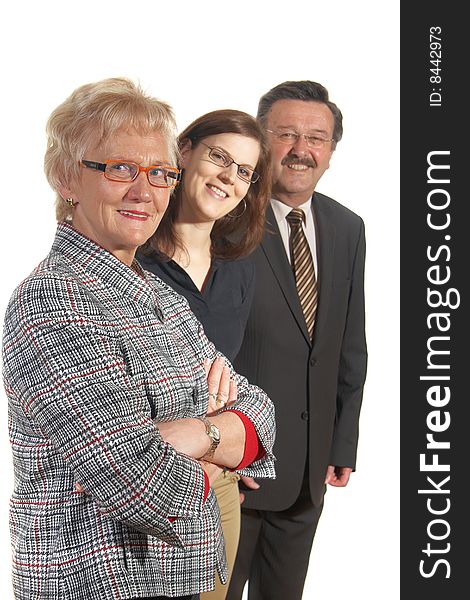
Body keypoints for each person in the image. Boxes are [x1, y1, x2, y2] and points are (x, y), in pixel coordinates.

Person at [2, 77, 276, 600]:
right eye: (120, 168)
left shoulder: (158, 295)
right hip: (101, 584)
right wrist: (221, 441)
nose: (143, 192)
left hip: (183, 573)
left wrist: (199, 437)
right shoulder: (53, 305)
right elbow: (147, 489)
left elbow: (262, 414)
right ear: (66, 178)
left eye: (159, 173)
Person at [226, 80, 368, 600]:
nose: (301, 149)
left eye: (317, 137)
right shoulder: (223, 219)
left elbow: (348, 345)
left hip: (307, 469)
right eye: (286, 134)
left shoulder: (346, 228)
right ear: (261, 141)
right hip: (232, 465)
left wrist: (341, 440)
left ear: (331, 151)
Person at [137, 109, 271, 600]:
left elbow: (238, 374)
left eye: (244, 171)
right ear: (185, 152)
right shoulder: (133, 257)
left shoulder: (239, 268)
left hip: (219, 485)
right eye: (219, 157)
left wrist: (245, 448)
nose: (228, 178)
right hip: (146, 483)